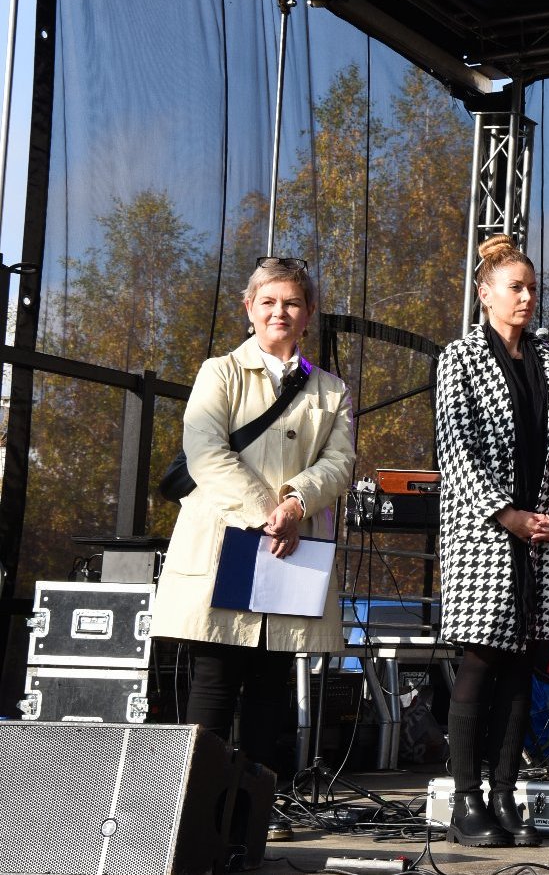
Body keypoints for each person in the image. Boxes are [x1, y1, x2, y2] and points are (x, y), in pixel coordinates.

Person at [151, 257, 355, 799]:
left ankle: (259, 811)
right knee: (214, 680)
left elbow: (339, 465)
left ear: (309, 312)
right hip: (228, 541)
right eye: (267, 302)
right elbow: (204, 451)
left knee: (272, 687)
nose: (279, 312)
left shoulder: (331, 390)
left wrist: (296, 503)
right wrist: (268, 514)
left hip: (290, 548)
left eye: (291, 302)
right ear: (249, 308)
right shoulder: (218, 371)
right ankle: (191, 810)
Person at [435, 234, 549, 849]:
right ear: (485, 294)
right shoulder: (459, 357)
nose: (527, 297)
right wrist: (508, 514)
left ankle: (506, 795)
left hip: (547, 536)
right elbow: (457, 450)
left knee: (525, 664)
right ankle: (465, 799)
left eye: (532, 288)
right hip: (486, 534)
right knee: (481, 660)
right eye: (515, 287)